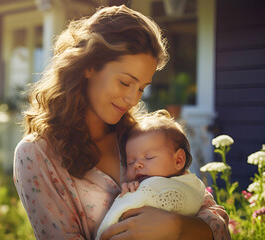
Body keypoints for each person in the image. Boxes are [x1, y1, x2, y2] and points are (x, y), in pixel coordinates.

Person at [13, 5, 230, 240]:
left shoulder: (141, 137)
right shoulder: (37, 154)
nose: (132, 99)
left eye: (141, 88)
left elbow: (212, 215)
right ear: (89, 66)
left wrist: (177, 228)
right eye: (126, 82)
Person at [96, 110, 208, 239]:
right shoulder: (137, 188)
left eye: (149, 157)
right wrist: (128, 195)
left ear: (178, 160)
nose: (137, 165)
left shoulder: (190, 186)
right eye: (130, 162)